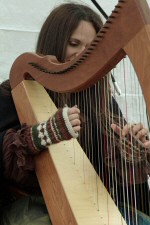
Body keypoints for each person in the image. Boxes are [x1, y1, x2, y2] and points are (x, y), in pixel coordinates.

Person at [0, 2, 150, 225]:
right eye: (74, 44)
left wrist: (129, 154)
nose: (82, 54)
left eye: (90, 48)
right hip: (27, 206)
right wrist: (41, 135)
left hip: (90, 208)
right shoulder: (15, 92)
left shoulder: (102, 102)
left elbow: (111, 178)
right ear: (54, 43)